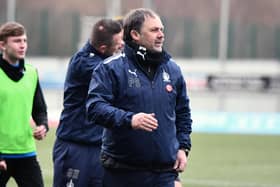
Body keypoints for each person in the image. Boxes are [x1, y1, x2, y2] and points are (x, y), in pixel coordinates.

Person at [86, 8, 192, 187]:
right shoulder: (110, 68)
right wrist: (130, 119)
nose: (161, 35)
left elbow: (182, 113)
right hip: (122, 172)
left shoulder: (172, 70)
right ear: (135, 34)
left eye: (161, 30)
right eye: (154, 30)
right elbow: (95, 107)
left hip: (164, 173)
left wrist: (183, 147)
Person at [52, 18, 124, 187]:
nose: (122, 45)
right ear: (103, 48)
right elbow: (116, 76)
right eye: (119, 42)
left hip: (99, 147)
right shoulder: (85, 63)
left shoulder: (105, 56)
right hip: (76, 147)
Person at [0, 22, 48, 187]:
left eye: (24, 41)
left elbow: (39, 109)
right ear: (2, 45)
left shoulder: (31, 73)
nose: (22, 45)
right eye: (17, 41)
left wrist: (43, 125)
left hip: (26, 152)